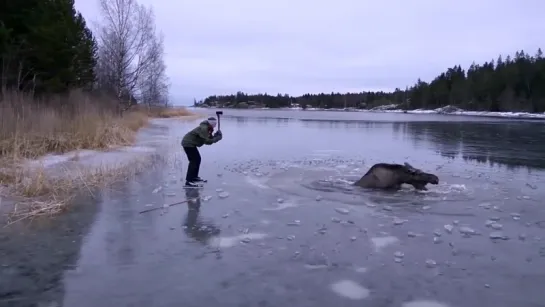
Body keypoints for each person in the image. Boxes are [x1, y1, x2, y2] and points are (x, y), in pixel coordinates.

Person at [181, 117, 222, 187]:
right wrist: (218, 138)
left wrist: (215, 136)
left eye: (216, 124)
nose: (215, 125)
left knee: (197, 159)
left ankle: (194, 177)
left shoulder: (207, 127)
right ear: (211, 123)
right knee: (194, 161)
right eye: (214, 124)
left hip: (191, 144)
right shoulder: (204, 128)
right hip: (188, 143)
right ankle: (189, 181)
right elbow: (207, 141)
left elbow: (209, 138)